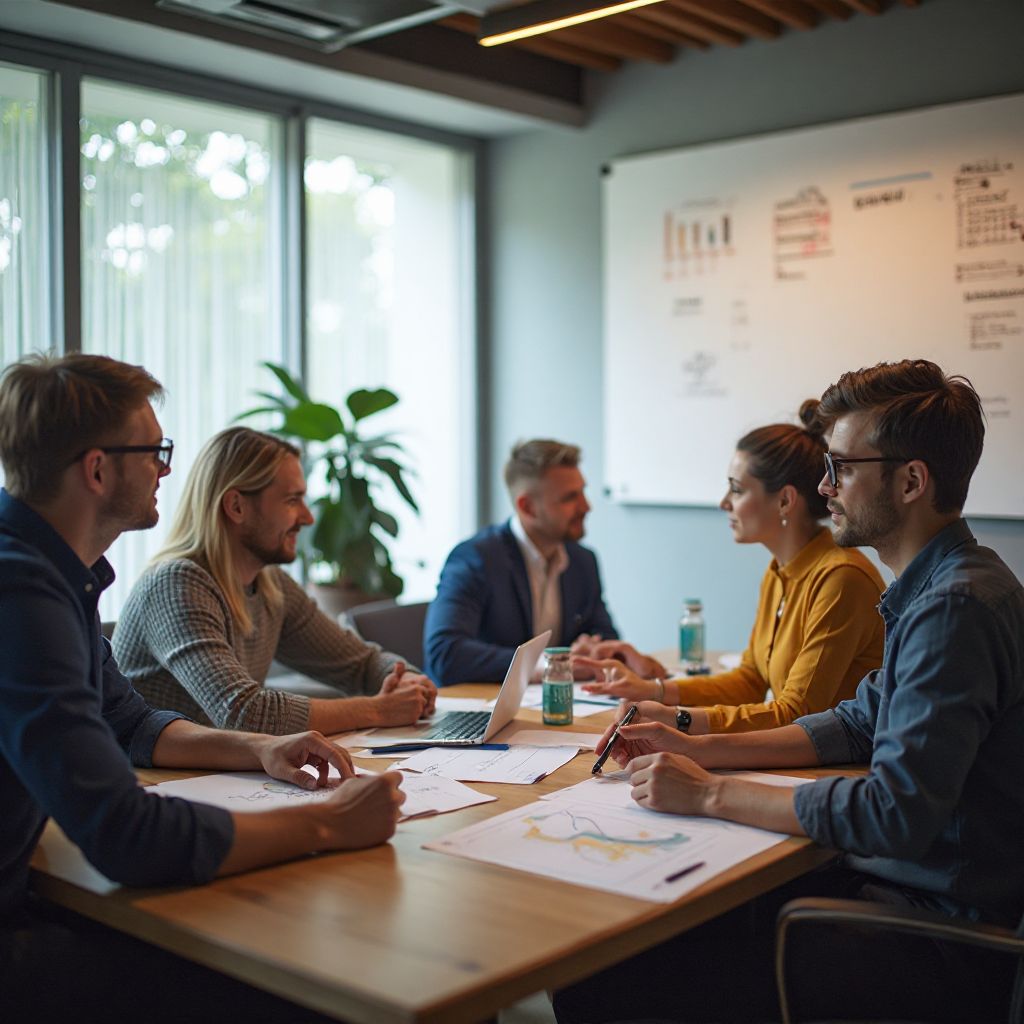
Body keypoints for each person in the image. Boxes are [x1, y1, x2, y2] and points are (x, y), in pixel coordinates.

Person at [554, 360, 1024, 1024]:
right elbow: (857, 723)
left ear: (912, 480)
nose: (825, 487)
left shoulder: (956, 606)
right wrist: (696, 744)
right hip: (887, 895)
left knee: (600, 973)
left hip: (925, 935)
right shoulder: (943, 586)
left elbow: (894, 812)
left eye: (843, 469)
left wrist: (709, 793)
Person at [0, 353, 405, 1023]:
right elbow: (124, 835)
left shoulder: (58, 574)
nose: (167, 469)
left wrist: (257, 751)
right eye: (155, 451)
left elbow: (132, 724)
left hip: (28, 889)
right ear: (98, 470)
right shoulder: (20, 594)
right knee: (295, 981)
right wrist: (327, 822)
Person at [577, 400, 885, 733]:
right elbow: (751, 678)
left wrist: (679, 719)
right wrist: (653, 690)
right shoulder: (782, 570)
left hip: (839, 767)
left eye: (736, 489)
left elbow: (796, 713)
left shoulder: (840, 579)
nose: (724, 502)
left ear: (784, 500)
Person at [113, 426, 436, 736]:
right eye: (292, 500)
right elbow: (245, 713)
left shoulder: (270, 583)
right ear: (236, 506)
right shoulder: (175, 585)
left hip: (221, 777)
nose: (308, 518)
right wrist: (378, 710)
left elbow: (359, 664)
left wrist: (405, 680)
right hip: (155, 782)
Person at [425, 438, 642, 685]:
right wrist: (551, 665)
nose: (586, 506)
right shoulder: (475, 559)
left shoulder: (583, 561)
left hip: (553, 708)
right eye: (570, 498)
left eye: (583, 491)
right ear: (527, 507)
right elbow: (445, 655)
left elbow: (605, 636)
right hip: (479, 712)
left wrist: (592, 650)